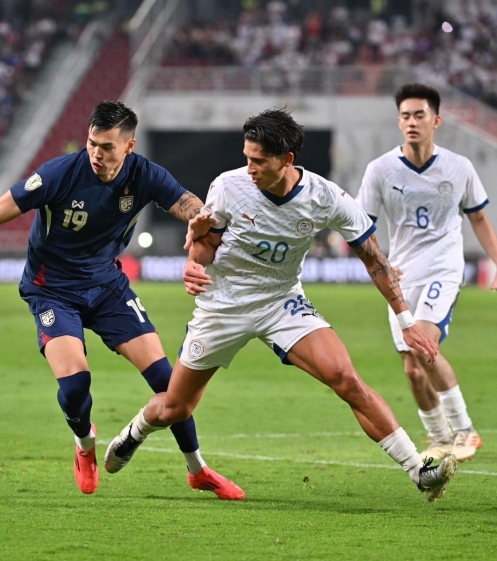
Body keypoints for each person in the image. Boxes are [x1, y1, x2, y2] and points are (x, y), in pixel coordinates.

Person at [0, 101, 244, 499]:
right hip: (51, 290)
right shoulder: (59, 174)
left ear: (130, 147)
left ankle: (197, 469)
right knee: (75, 384)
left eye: (107, 147)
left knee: (168, 384)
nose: (97, 155)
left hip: (108, 288)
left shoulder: (146, 176)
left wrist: (204, 221)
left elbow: (194, 210)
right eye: (92, 144)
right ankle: (85, 444)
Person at [106, 108, 457, 502]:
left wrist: (406, 320)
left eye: (259, 160)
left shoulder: (326, 198)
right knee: (175, 408)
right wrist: (194, 265)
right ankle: (133, 432)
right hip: (224, 306)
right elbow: (207, 241)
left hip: (282, 302)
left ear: (287, 160)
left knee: (346, 378)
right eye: (247, 157)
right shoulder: (228, 186)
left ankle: (418, 470)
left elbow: (375, 260)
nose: (250, 167)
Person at [355, 83, 497, 463]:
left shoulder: (459, 167)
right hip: (401, 275)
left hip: (444, 267)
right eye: (406, 116)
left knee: (423, 346)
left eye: (419, 115)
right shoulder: (380, 170)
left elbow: (478, 217)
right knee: (411, 369)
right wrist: (380, 262)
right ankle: (440, 437)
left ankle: (465, 431)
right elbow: (363, 225)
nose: (412, 122)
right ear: (399, 122)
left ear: (436, 120)